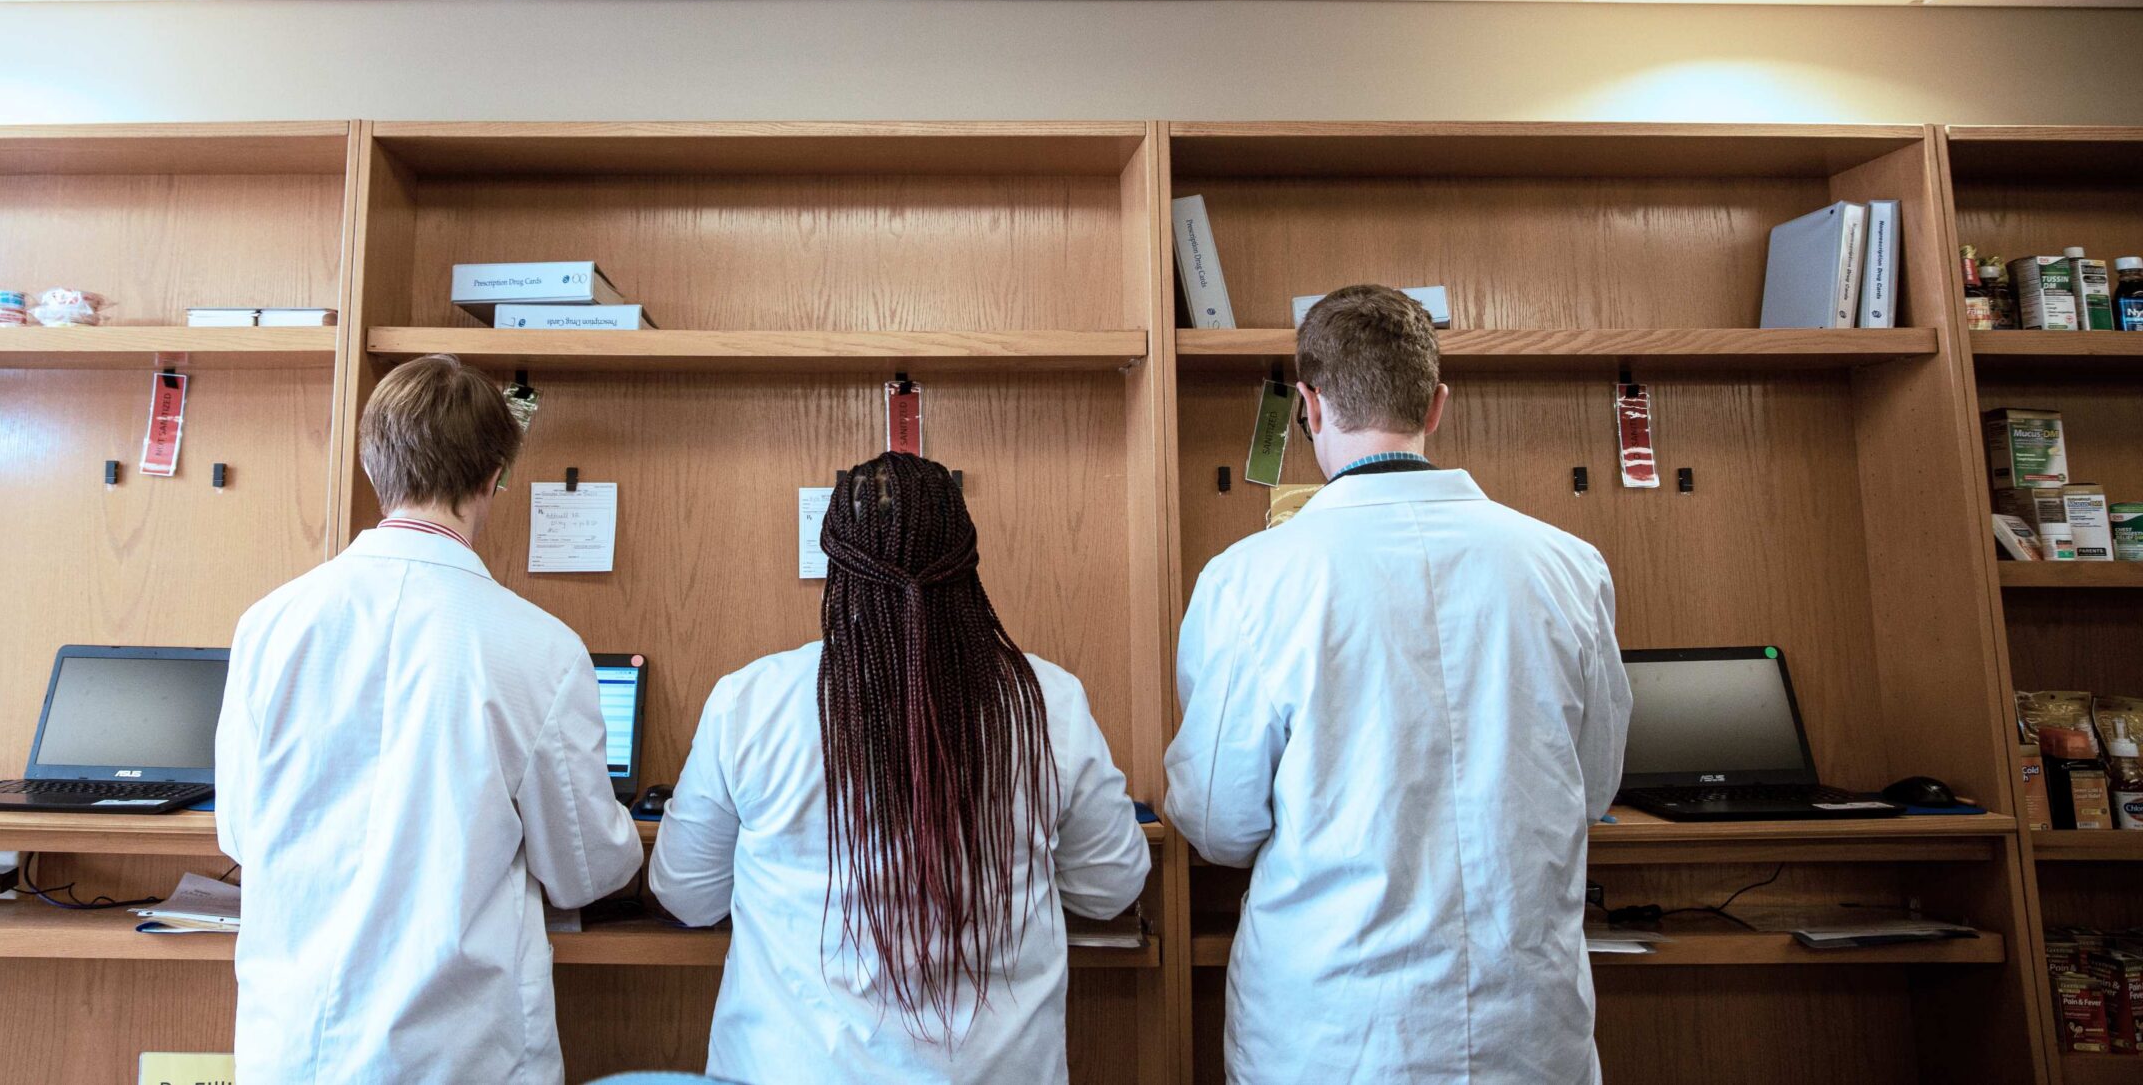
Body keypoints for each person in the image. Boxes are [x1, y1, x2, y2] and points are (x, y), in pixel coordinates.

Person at [1165, 285, 1629, 1085]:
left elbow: (1219, 823)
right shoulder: (1567, 566)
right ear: (1436, 404)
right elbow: (1593, 786)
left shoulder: (1252, 579)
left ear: (1309, 405)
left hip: (1335, 1035)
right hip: (1527, 1031)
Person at [648, 451, 1151, 1084]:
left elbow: (687, 895)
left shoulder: (749, 702)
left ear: (837, 570)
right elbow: (1111, 889)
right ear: (967, 565)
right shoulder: (1047, 702)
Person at [217, 355, 642, 1085]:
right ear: (494, 478)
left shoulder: (269, 624)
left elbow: (240, 833)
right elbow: (584, 870)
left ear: (371, 465)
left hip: (293, 1047)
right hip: (460, 1052)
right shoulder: (541, 648)